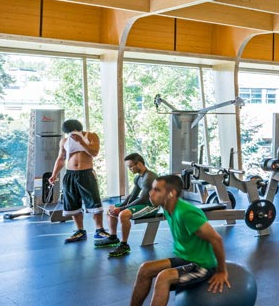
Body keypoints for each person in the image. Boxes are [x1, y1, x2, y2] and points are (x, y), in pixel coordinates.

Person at [130, 175, 229, 306]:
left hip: (203, 265)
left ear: (171, 193)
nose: (151, 193)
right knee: (145, 269)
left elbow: (216, 239)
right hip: (185, 258)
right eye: (152, 189)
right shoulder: (167, 208)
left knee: (164, 277)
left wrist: (222, 271)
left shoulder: (186, 213)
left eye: (157, 190)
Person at [49, 119, 108, 243]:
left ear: (78, 128)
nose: (72, 133)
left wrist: (81, 142)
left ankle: (100, 230)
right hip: (70, 174)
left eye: (73, 130)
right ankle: (80, 231)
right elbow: (61, 158)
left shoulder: (91, 136)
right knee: (72, 203)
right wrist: (54, 174)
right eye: (69, 132)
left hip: (86, 173)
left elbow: (95, 152)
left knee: (94, 202)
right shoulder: (64, 141)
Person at [95, 153, 159, 257]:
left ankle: (124, 245)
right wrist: (119, 206)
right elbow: (133, 195)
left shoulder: (150, 177)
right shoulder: (138, 178)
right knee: (110, 208)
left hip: (151, 206)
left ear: (139, 164)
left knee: (123, 215)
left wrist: (121, 209)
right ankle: (113, 237)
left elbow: (143, 199)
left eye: (130, 166)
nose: (129, 169)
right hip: (143, 203)